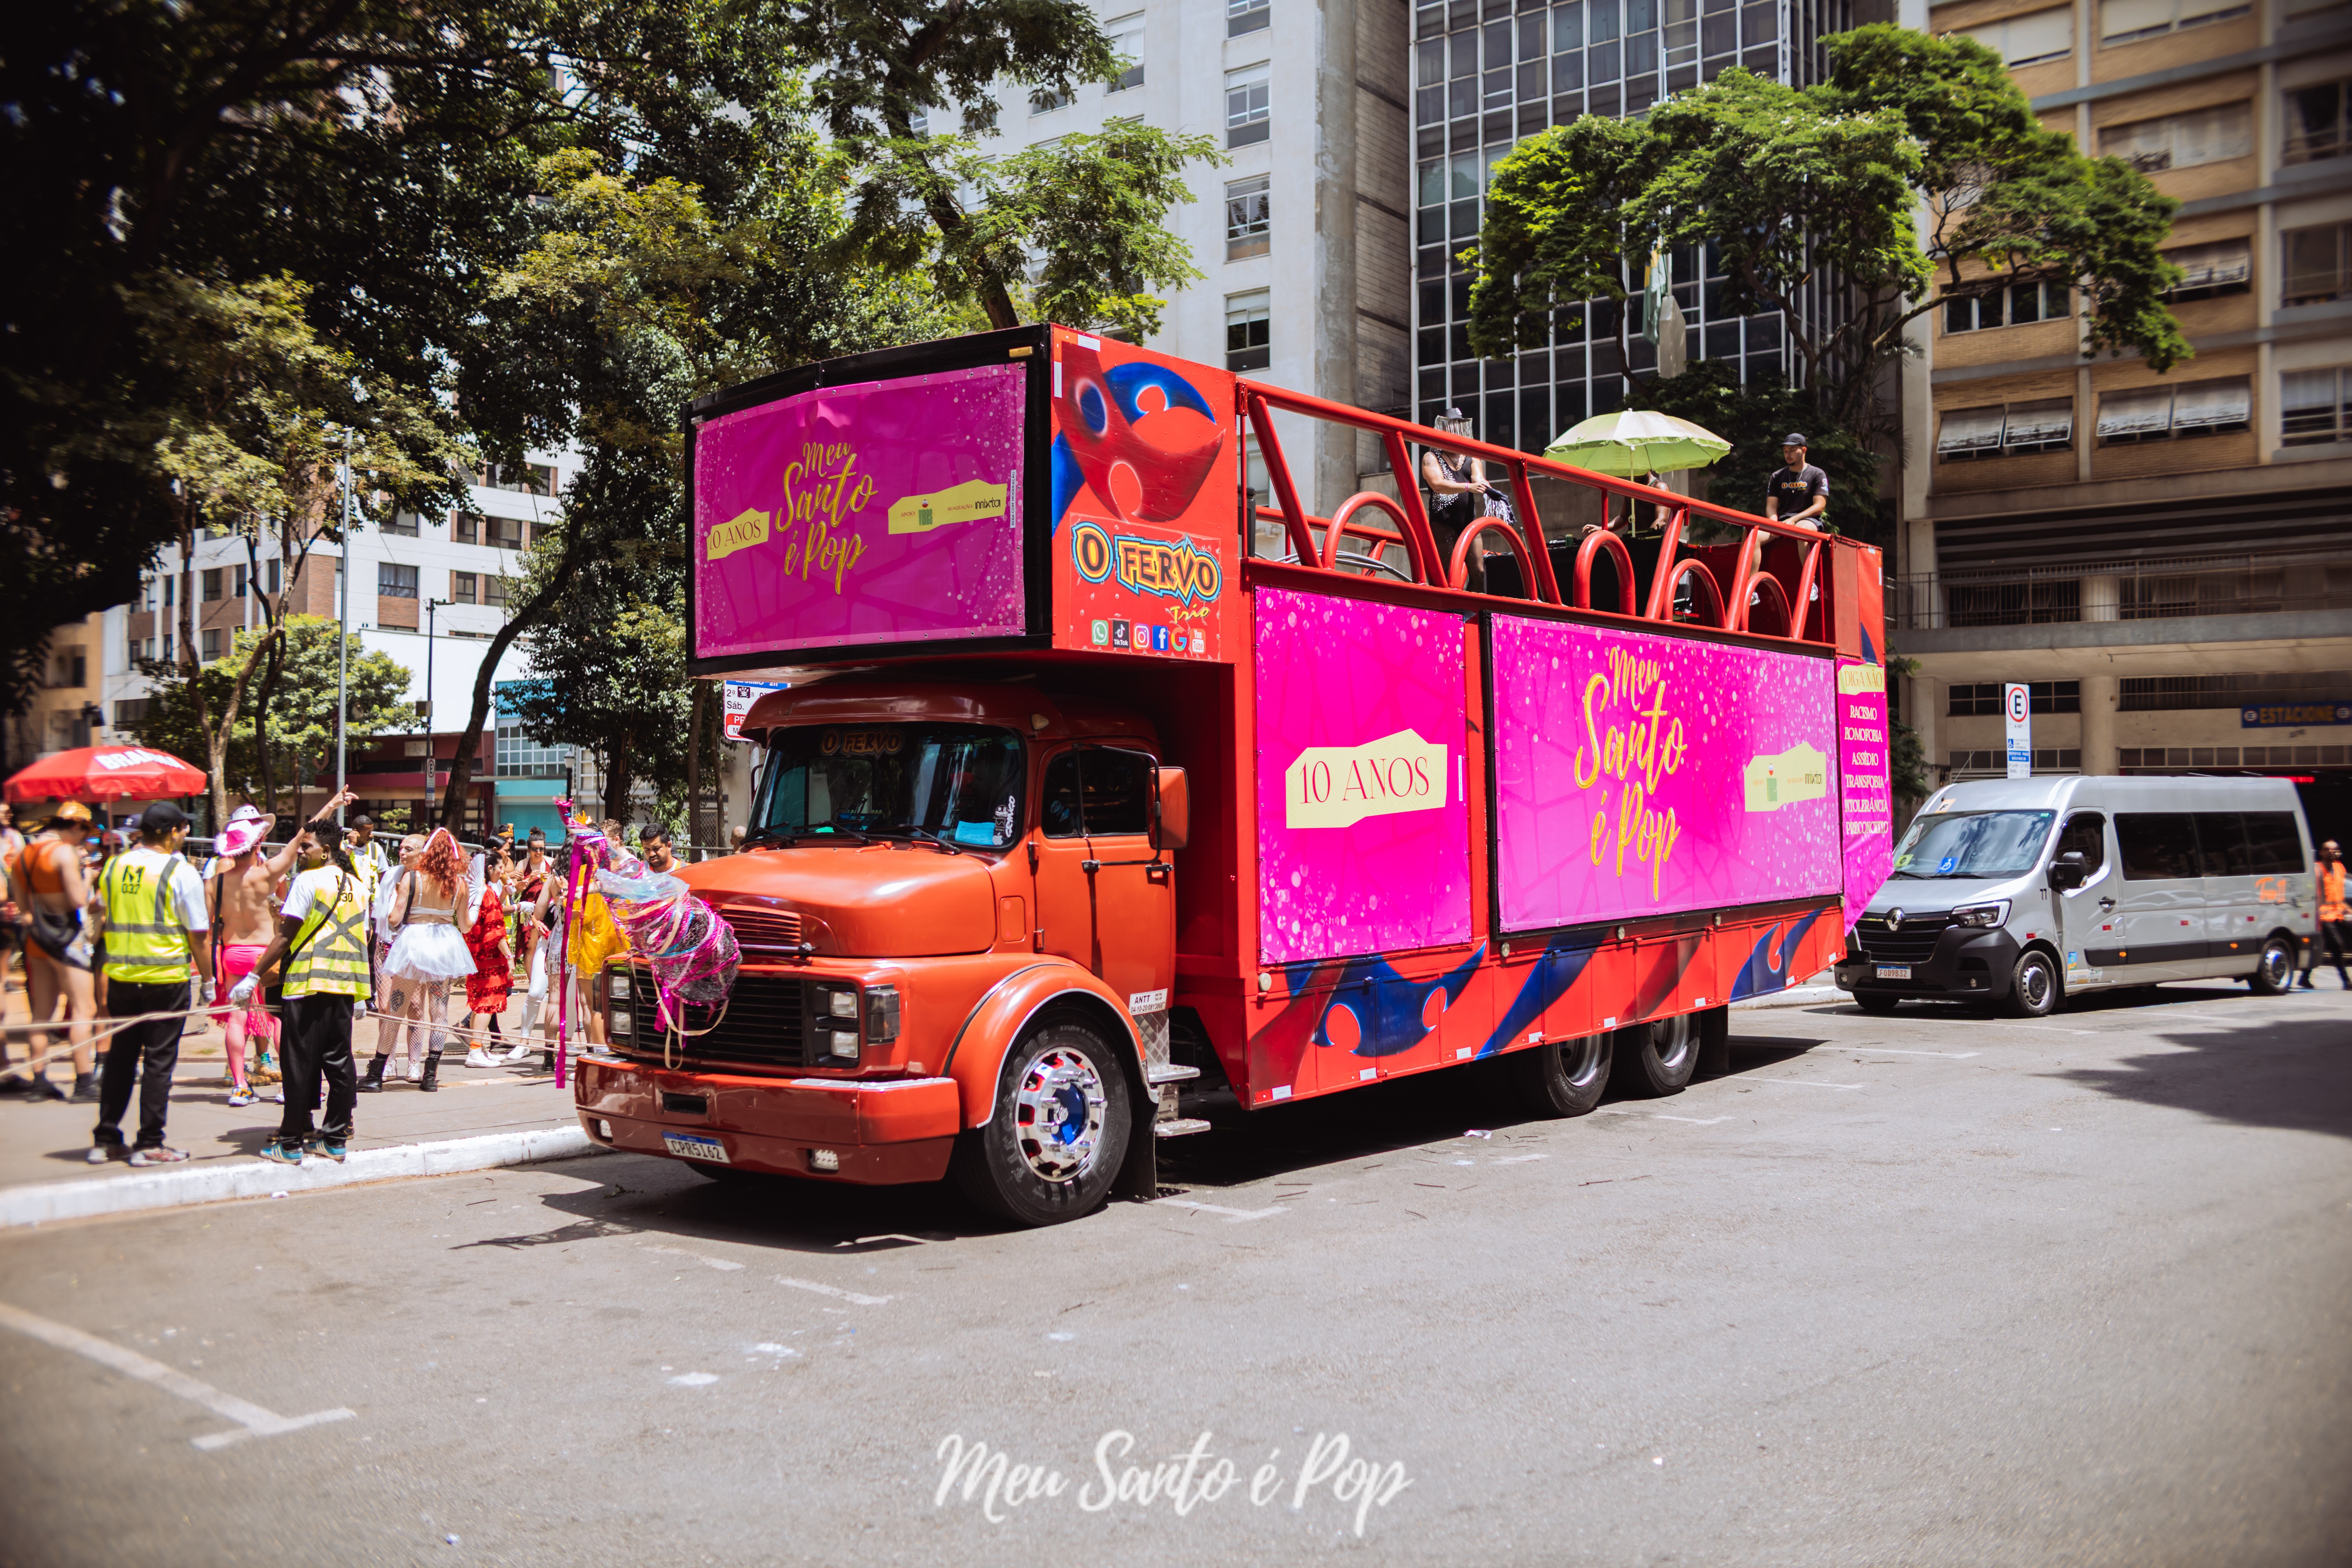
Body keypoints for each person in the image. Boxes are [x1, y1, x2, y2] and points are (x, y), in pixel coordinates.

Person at [233, 825, 371, 1165]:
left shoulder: (308, 880)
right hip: (344, 985)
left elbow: (285, 936)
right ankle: (335, 1137)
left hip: (307, 983)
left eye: (306, 846)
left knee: (298, 1064)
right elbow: (361, 936)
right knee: (339, 1062)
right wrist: (362, 995)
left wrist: (251, 977)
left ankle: (292, 1141)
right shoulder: (358, 885)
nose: (300, 851)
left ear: (326, 850)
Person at [86, 802, 214, 1166]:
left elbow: (98, 906)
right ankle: (149, 1142)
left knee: (120, 1060)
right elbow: (199, 935)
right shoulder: (181, 871)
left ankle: (107, 1137)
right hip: (165, 979)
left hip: (122, 978)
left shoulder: (115, 865)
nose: (186, 833)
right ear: (173, 831)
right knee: (159, 1063)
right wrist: (208, 980)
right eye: (184, 828)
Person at [5, 802, 100, 1101]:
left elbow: (22, 905)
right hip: (65, 937)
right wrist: (89, 882)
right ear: (74, 827)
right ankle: (84, 1082)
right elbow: (77, 900)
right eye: (84, 834)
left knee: (42, 1014)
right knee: (85, 1009)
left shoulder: (23, 854)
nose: (85, 842)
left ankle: (39, 1081)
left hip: (36, 938)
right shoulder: (64, 853)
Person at [381, 827, 476, 1091]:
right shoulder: (459, 884)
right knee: (440, 1013)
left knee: (396, 1010)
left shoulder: (413, 879)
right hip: (445, 945)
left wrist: (393, 899)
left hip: (414, 942)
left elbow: (394, 920)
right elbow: (466, 926)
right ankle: (431, 1076)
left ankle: (378, 1072)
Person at [361, 833, 428, 1090]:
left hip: (414, 948)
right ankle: (388, 1059)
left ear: (422, 853)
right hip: (387, 947)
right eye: (401, 848)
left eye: (409, 849)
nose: (403, 853)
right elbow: (381, 914)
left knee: (415, 1008)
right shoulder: (391, 876)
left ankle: (414, 1063)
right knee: (386, 1006)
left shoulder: (427, 880)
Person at [460, 848, 519, 1068]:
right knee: (487, 1004)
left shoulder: (477, 890)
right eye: (501, 867)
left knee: (479, 1005)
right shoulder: (485, 892)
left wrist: (502, 896)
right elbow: (495, 931)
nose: (504, 871)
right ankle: (475, 1052)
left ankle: (479, 1049)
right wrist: (510, 957)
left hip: (477, 954)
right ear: (490, 868)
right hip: (489, 957)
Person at [2298, 840, 2348, 989]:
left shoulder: (2340, 868)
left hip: (2338, 914)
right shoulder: (2315, 870)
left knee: (2319, 947)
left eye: (2335, 849)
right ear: (2321, 852)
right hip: (2322, 916)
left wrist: (2347, 909)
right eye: (2328, 849)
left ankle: (2304, 978)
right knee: (2337, 947)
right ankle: (2347, 981)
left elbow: (2340, 893)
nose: (2332, 852)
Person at [1764, 433, 1828, 530]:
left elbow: (1820, 506)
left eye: (1792, 450)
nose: (1788, 454)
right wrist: (1774, 522)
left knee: (1801, 529)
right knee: (1754, 534)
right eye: (1785, 451)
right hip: (1783, 522)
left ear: (1804, 450)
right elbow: (1771, 506)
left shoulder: (1817, 474)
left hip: (1809, 521)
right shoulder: (1777, 476)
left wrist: (1794, 519)